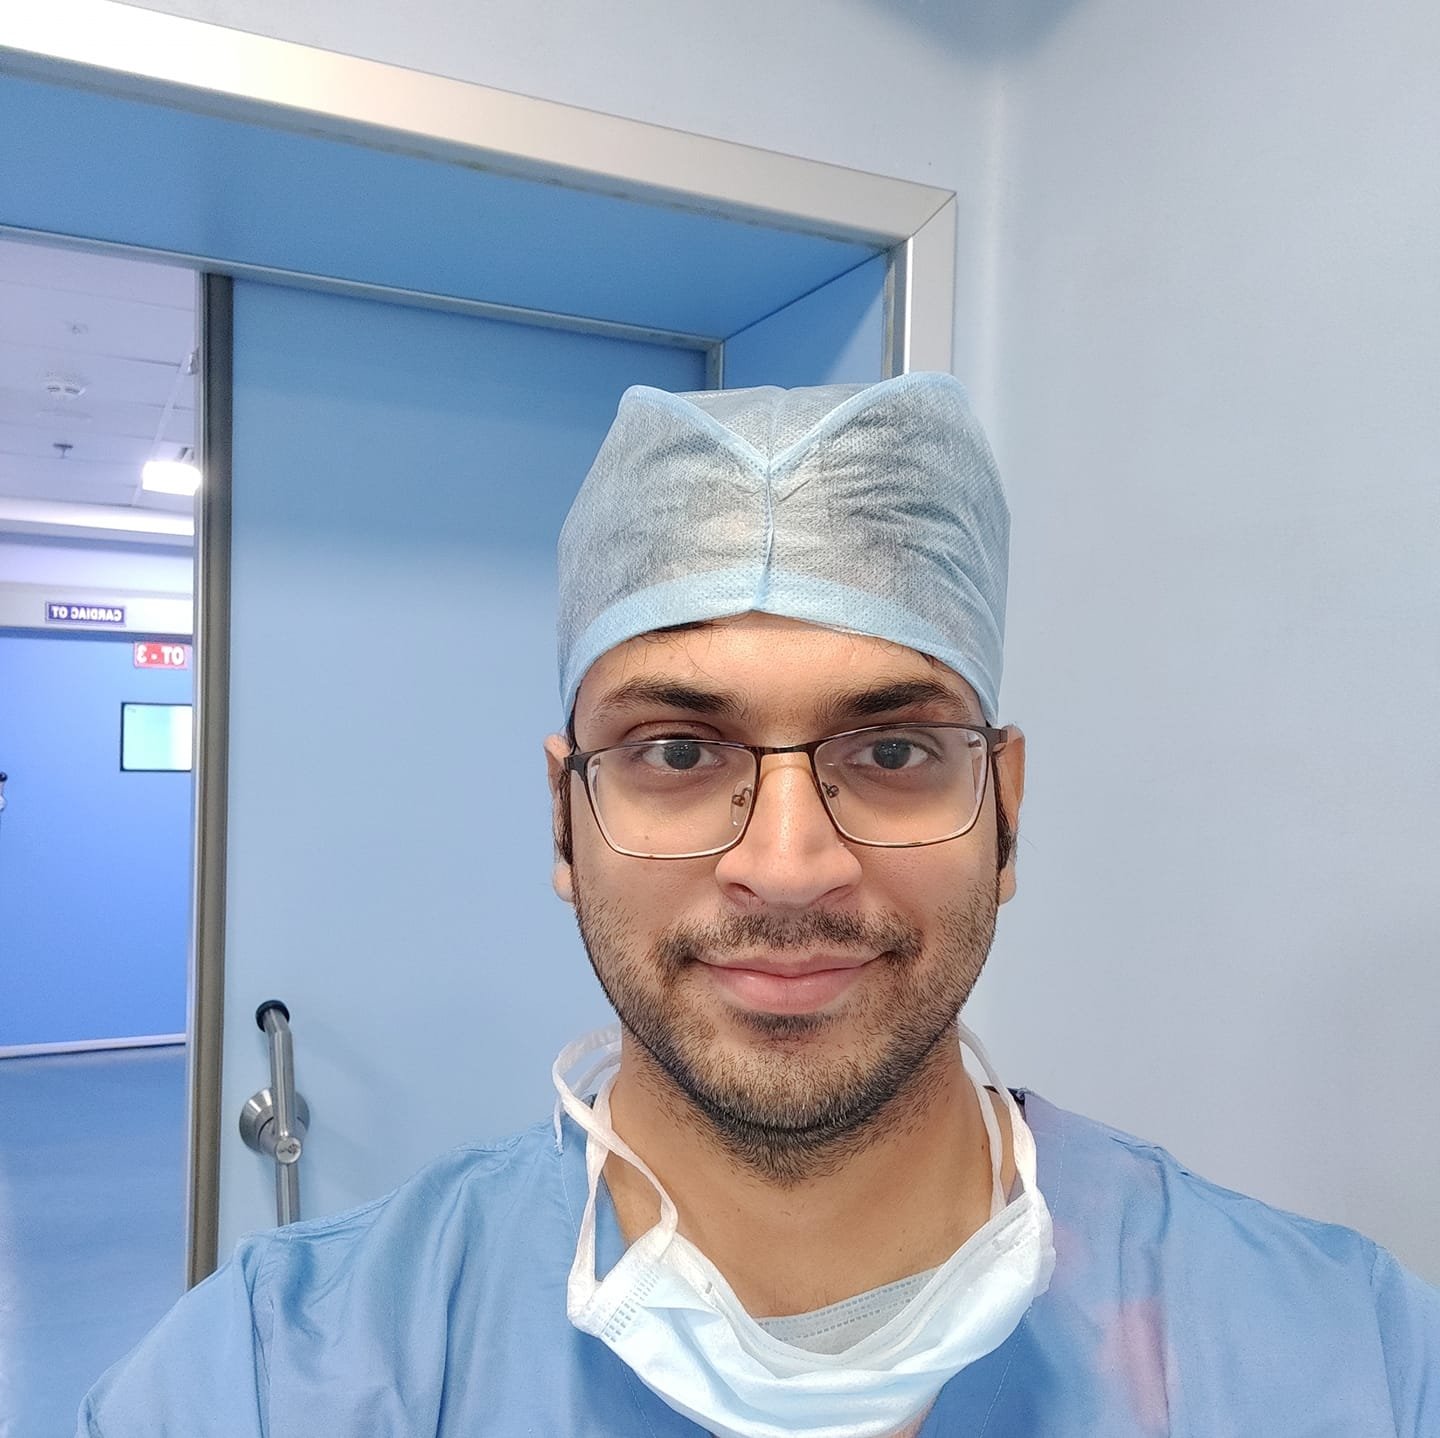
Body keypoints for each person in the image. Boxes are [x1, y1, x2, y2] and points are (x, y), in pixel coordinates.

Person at [79, 375, 1436, 1436]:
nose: (788, 865)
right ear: (566, 812)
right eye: (678, 750)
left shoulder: (1347, 1357)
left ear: (1005, 806)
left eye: (892, 749)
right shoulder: (275, 1376)